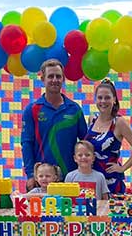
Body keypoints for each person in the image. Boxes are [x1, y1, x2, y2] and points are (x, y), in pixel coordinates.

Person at [21, 59, 87, 190]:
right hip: (43, 180)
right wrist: (30, 175)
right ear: (43, 79)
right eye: (50, 76)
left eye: (58, 76)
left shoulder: (74, 109)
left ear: (63, 79)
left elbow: (85, 143)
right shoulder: (32, 109)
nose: (55, 80)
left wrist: (86, 172)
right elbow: (26, 144)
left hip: (70, 178)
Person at [86, 78, 132, 195]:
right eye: (100, 97)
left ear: (114, 100)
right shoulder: (92, 118)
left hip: (111, 181)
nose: (103, 101)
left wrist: (122, 168)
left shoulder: (119, 123)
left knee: (112, 212)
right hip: (92, 179)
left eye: (107, 97)